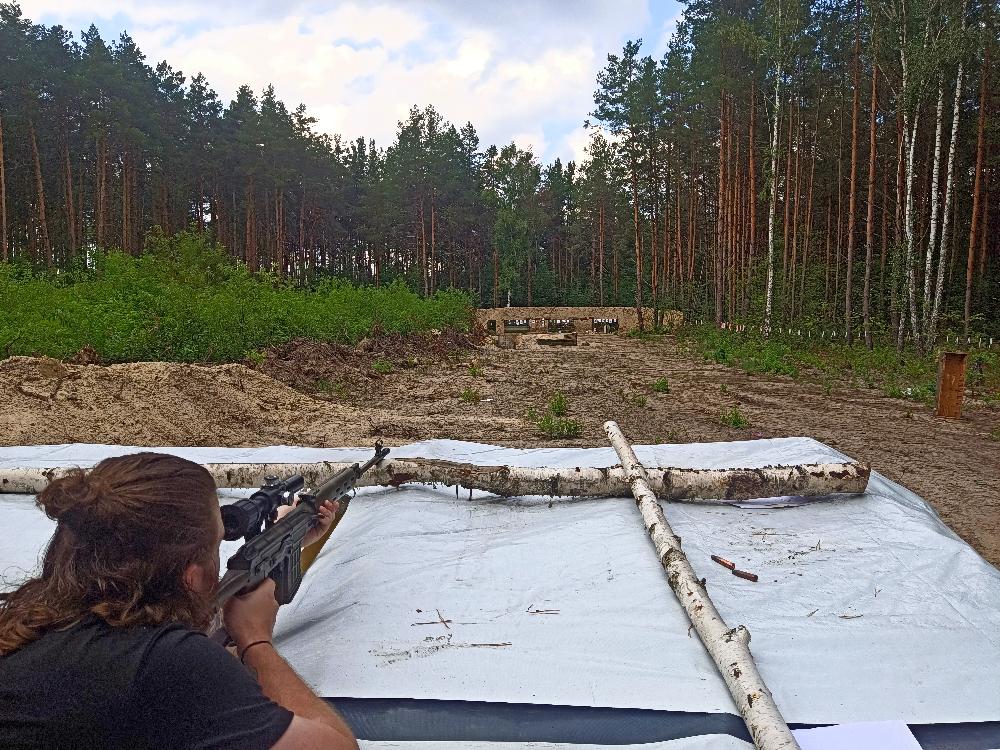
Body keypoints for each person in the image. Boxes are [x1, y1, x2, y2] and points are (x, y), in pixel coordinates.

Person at [0, 452, 359, 749]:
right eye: (218, 543)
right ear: (191, 576)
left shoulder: (24, 620)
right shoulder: (169, 662)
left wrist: (290, 544)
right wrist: (254, 637)